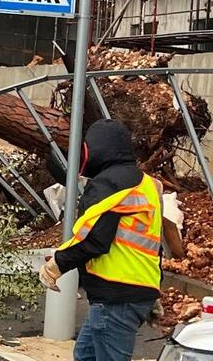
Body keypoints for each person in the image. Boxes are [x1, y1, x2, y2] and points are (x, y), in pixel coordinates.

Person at [39, 119, 162, 361]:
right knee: (85, 355)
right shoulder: (144, 183)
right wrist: (153, 292)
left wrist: (56, 265)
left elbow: (92, 239)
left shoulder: (111, 184)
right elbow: (152, 247)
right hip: (134, 291)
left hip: (116, 295)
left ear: (97, 149)